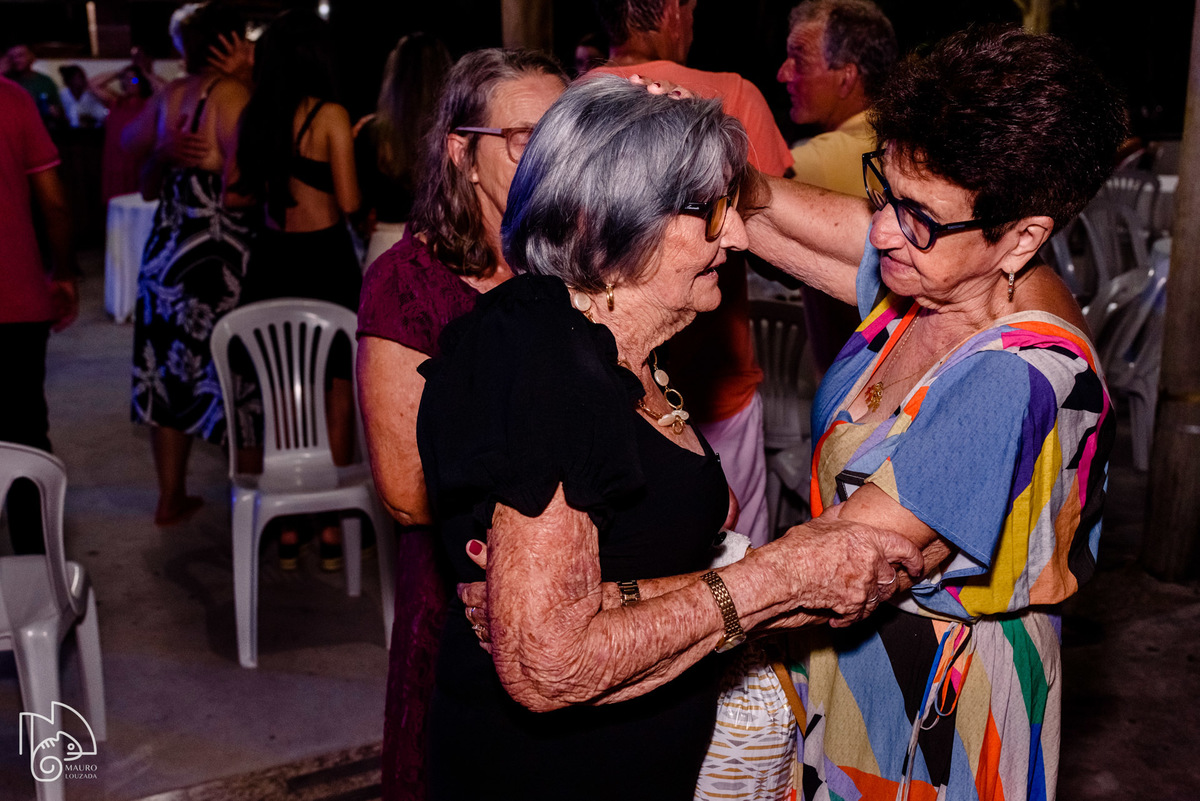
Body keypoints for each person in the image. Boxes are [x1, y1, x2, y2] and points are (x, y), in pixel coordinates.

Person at [417, 74, 923, 801]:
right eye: (710, 210)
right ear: (603, 220)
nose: (740, 234)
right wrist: (775, 580)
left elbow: (595, 589)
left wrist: (611, 595)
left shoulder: (618, 353)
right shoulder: (541, 361)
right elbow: (549, 666)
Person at [740, 25, 1126, 799]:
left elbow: (841, 558)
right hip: (859, 668)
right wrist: (716, 172)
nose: (883, 226)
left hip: (937, 712)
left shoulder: (1016, 380)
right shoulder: (941, 277)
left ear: (1022, 237)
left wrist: (623, 619)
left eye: (915, 213)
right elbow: (782, 215)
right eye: (882, 186)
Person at [355, 47, 568, 801]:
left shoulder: (577, 263)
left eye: (564, 133)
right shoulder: (409, 284)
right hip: (462, 594)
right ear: (460, 151)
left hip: (577, 594)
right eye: (523, 138)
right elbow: (409, 494)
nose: (550, 158)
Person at [591, 0, 793, 547]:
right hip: (716, 385)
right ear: (671, 9)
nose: (736, 234)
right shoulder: (734, 94)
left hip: (642, 382)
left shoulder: (572, 102)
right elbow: (779, 243)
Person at [232, 8, 362, 569]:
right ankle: (331, 528)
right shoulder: (330, 113)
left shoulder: (257, 113)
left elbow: (237, 193)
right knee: (336, 393)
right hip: (324, 258)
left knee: (284, 388)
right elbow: (351, 202)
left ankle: (287, 532)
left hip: (271, 259)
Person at [124, 0, 255, 526]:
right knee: (239, 377)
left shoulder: (171, 96)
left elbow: (145, 184)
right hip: (221, 261)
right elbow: (243, 193)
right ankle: (249, 500)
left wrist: (161, 153)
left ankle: (170, 496)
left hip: (165, 261)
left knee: (164, 371)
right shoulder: (237, 96)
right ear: (230, 42)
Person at [778, 0, 897, 375]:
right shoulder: (908, 143)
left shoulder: (816, 163)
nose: (784, 74)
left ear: (846, 78)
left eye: (799, 59)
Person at [0, 75, 79, 554]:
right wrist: (65, 272)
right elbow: (53, 201)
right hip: (16, 298)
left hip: (19, 298)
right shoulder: (12, 99)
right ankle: (37, 583)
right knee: (25, 436)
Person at [354, 32, 452, 269]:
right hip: (442, 246)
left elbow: (355, 204)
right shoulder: (456, 134)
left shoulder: (370, 132)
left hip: (385, 246)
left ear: (394, 78)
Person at [97, 62, 159, 206]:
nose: (129, 83)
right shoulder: (116, 102)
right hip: (115, 163)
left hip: (138, 164)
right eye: (125, 80)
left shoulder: (149, 104)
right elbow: (94, 84)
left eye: (134, 80)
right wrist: (119, 72)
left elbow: (164, 89)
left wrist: (146, 74)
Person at [1, 44, 64, 131]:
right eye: (12, 57)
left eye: (21, 55)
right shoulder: (6, 81)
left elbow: (60, 110)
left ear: (32, 56)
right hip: (14, 131)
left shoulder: (45, 81)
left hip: (43, 130)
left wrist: (55, 111)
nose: (16, 60)